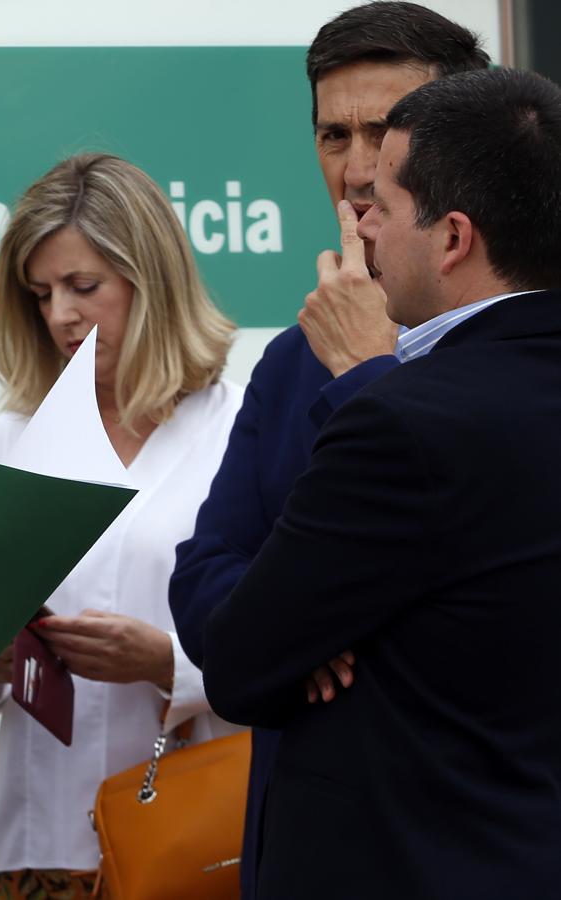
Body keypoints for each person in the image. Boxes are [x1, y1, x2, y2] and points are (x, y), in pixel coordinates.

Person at [204, 67, 561, 899]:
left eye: (385, 205)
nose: (358, 218)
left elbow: (242, 663)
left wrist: (371, 379)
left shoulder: (398, 417)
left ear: (453, 237)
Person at [167, 4, 489, 895]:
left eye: (384, 133)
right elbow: (204, 575)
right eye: (332, 134)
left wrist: (370, 371)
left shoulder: (519, 354)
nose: (354, 171)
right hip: (304, 852)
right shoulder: (290, 357)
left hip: (463, 851)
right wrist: (289, 627)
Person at [0, 153, 244, 899]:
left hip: (188, 841)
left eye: (84, 286)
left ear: (150, 279)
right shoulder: (11, 446)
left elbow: (300, 650)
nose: (61, 314)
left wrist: (168, 661)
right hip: (36, 849)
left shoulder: (241, 435)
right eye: (41, 293)